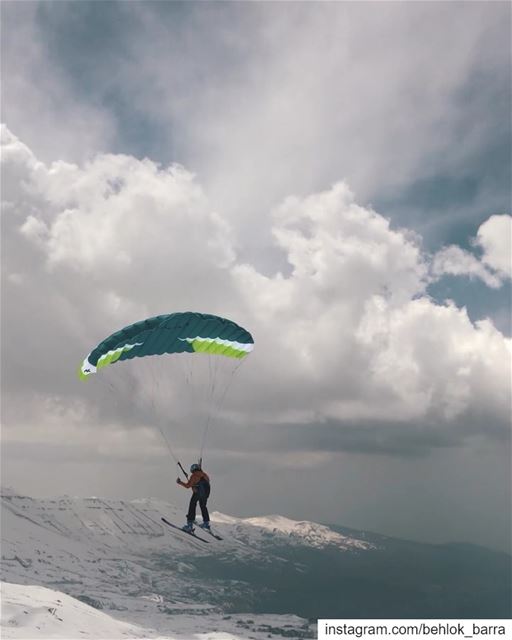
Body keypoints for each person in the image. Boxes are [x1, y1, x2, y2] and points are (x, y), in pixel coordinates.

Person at [177, 463, 211, 532]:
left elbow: (187, 486)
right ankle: (206, 523)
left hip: (198, 493)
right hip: (206, 494)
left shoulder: (194, 475)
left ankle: (189, 524)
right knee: (203, 506)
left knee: (192, 505)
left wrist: (180, 482)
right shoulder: (205, 475)